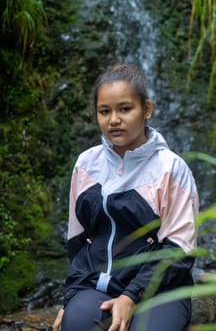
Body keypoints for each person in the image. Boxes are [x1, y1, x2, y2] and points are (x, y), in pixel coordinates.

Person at [53, 64, 199, 331]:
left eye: (125, 109)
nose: (114, 120)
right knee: (76, 323)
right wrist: (70, 299)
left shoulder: (171, 169)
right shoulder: (86, 164)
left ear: (147, 110)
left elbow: (179, 249)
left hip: (160, 291)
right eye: (104, 111)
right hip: (96, 285)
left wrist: (131, 296)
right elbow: (77, 241)